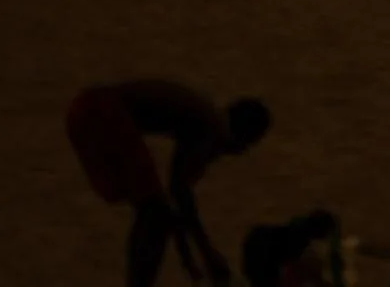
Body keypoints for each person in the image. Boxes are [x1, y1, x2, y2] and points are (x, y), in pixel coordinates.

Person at [66, 79, 271, 287]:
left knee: (154, 212)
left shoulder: (201, 121)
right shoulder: (214, 129)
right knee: (154, 213)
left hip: (85, 109)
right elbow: (180, 196)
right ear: (244, 136)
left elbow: (175, 200)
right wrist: (206, 254)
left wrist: (188, 256)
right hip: (103, 112)